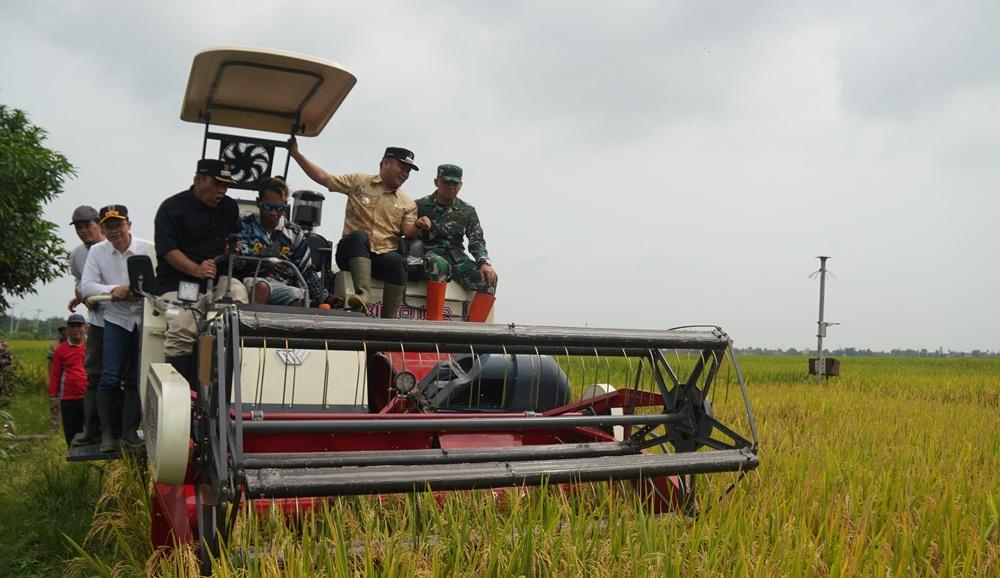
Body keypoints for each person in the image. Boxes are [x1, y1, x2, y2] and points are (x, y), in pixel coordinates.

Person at [290, 142, 420, 318]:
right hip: (351, 254)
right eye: (402, 167)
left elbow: (408, 231)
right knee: (359, 236)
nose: (405, 174)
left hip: (381, 258)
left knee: (397, 260)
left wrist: (420, 225)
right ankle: (362, 295)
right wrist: (297, 154)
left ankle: (390, 319)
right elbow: (323, 178)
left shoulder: (408, 202)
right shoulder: (359, 182)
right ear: (385, 163)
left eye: (408, 171)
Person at [154, 159, 249, 381]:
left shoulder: (229, 207)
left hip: (218, 280)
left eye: (225, 186)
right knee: (182, 325)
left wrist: (231, 249)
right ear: (198, 180)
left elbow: (232, 240)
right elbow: (168, 251)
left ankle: (229, 383)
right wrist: (196, 269)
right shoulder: (171, 208)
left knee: (238, 299)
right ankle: (183, 397)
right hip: (180, 282)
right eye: (216, 184)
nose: (221, 191)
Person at [80, 205, 155, 452]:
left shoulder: (148, 248)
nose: (114, 231)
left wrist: (131, 288)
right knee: (109, 376)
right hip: (115, 319)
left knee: (136, 378)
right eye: (108, 226)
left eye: (118, 224)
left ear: (129, 225)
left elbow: (159, 280)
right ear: (102, 228)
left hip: (143, 320)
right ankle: (108, 435)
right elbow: (87, 286)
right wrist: (115, 291)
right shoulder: (98, 252)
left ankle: (130, 432)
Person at [414, 164, 498, 322]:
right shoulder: (420, 205)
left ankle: (473, 332)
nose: (450, 187)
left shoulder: (467, 210)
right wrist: (417, 223)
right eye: (446, 182)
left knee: (489, 279)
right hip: (431, 253)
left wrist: (484, 263)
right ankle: (435, 324)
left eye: (455, 184)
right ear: (436, 182)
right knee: (439, 265)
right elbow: (406, 229)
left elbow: (476, 240)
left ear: (460, 185)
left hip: (457, 258)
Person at [235, 177, 334, 307]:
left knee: (301, 297)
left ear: (286, 206)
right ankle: (251, 326)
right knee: (262, 287)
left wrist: (326, 297)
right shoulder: (245, 226)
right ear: (258, 202)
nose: (273, 213)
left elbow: (306, 272)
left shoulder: (294, 232)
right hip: (250, 281)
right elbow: (238, 261)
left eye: (279, 208)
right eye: (267, 207)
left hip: (282, 285)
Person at [66, 205, 108, 447]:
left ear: (99, 224)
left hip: (124, 322)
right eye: (79, 227)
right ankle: (93, 429)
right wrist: (82, 296)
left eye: (88, 225)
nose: (84, 231)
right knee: (93, 374)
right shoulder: (77, 255)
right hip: (96, 322)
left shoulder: (114, 247)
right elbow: (79, 282)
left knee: (120, 377)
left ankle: (120, 430)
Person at [48, 314, 88, 446]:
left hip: (89, 396)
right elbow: (55, 376)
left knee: (92, 431)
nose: (76, 329)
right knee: (72, 433)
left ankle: (92, 461)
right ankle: (75, 462)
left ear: (85, 328)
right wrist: (53, 398)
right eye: (73, 326)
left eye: (79, 326)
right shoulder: (60, 350)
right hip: (68, 398)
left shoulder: (92, 346)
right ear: (67, 329)